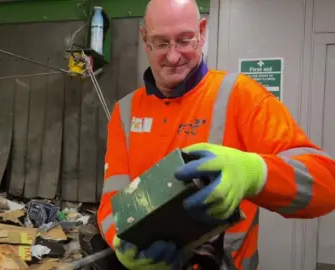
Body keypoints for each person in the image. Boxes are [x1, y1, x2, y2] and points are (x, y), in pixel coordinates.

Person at [97, 0, 335, 269]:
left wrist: (254, 173)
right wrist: (121, 244)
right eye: (161, 43)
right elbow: (111, 202)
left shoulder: (241, 96)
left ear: (202, 31)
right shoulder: (125, 112)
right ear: (144, 39)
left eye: (185, 40)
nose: (173, 56)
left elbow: (327, 182)